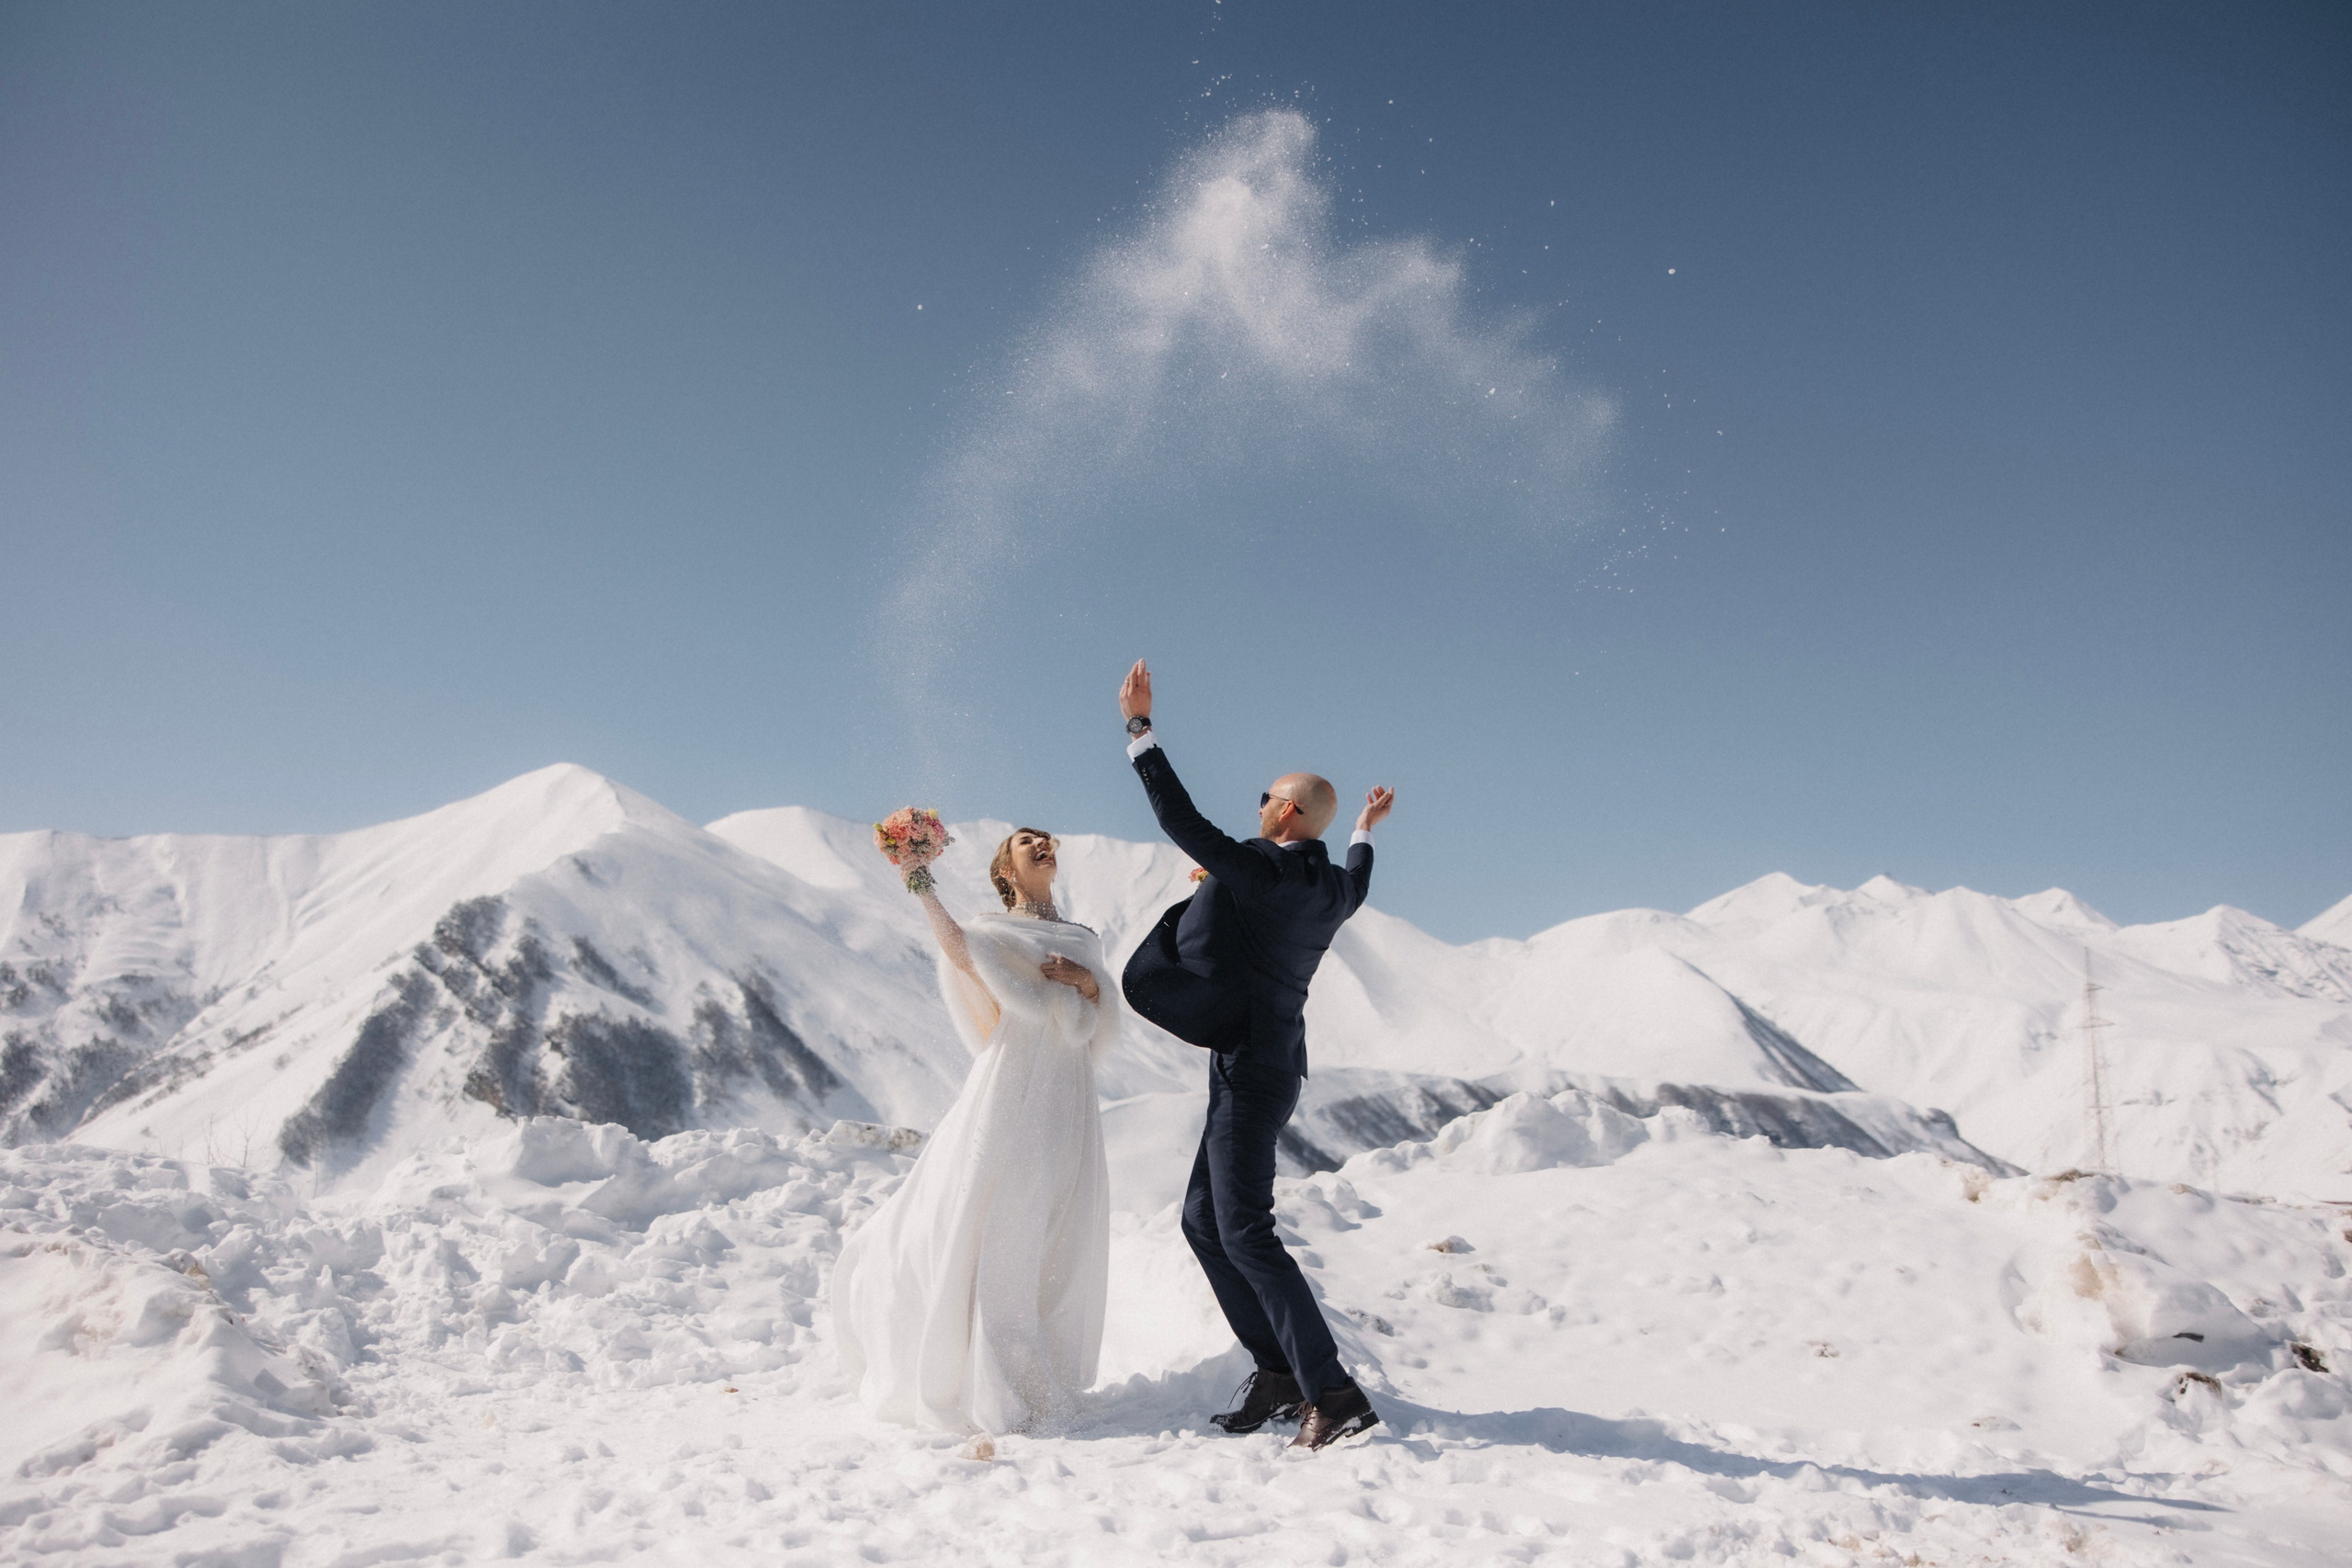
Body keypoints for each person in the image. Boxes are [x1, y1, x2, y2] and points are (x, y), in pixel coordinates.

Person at [1114, 659, 1396, 1452]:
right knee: (1204, 1220)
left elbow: (1184, 821)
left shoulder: (1267, 867)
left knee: (1244, 1229)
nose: (1259, 804)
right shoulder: (1332, 887)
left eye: (1266, 795)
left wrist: (1140, 730)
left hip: (1252, 1067)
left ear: (1288, 811)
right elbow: (1361, 870)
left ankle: (1333, 1392)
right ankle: (1278, 1371)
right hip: (1268, 1064)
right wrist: (1364, 829)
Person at [831, 826, 1118, 1435]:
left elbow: (1101, 1013)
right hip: (1015, 1083)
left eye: (1045, 838)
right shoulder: (994, 928)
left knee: (1056, 1220)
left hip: (1067, 1092)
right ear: (1006, 870)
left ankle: (1035, 1354)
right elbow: (962, 952)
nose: (1042, 843)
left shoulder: (1083, 938)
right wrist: (919, 879)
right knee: (1004, 1217)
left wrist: (1089, 984)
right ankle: (998, 1371)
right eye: (1024, 841)